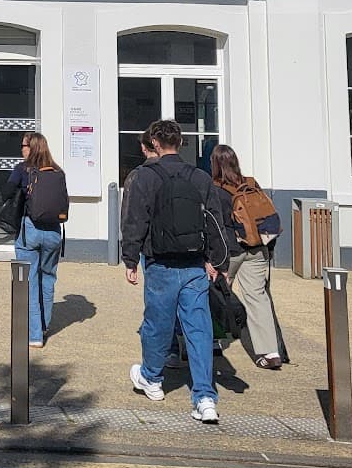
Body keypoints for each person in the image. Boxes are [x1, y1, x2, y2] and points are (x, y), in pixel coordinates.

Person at [121, 118, 230, 424]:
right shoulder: (200, 177)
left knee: (157, 324)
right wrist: (217, 261)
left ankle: (152, 378)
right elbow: (215, 222)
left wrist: (130, 259)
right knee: (199, 329)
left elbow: (134, 221)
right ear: (180, 142)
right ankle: (205, 398)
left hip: (160, 264)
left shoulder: (143, 177)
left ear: (154, 143)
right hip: (194, 264)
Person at [209, 143, 284, 370]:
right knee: (257, 298)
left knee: (213, 293)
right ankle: (270, 352)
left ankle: (213, 341)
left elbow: (216, 226)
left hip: (230, 252)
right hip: (257, 248)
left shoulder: (215, 189)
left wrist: (212, 258)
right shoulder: (251, 184)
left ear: (215, 164)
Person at [12, 132, 69, 348]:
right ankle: (44, 326)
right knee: (48, 278)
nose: (21, 149)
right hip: (54, 232)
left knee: (28, 281)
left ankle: (34, 334)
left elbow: (7, 191)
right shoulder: (58, 172)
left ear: (31, 148)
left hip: (30, 230)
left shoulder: (23, 169)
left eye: (23, 145)